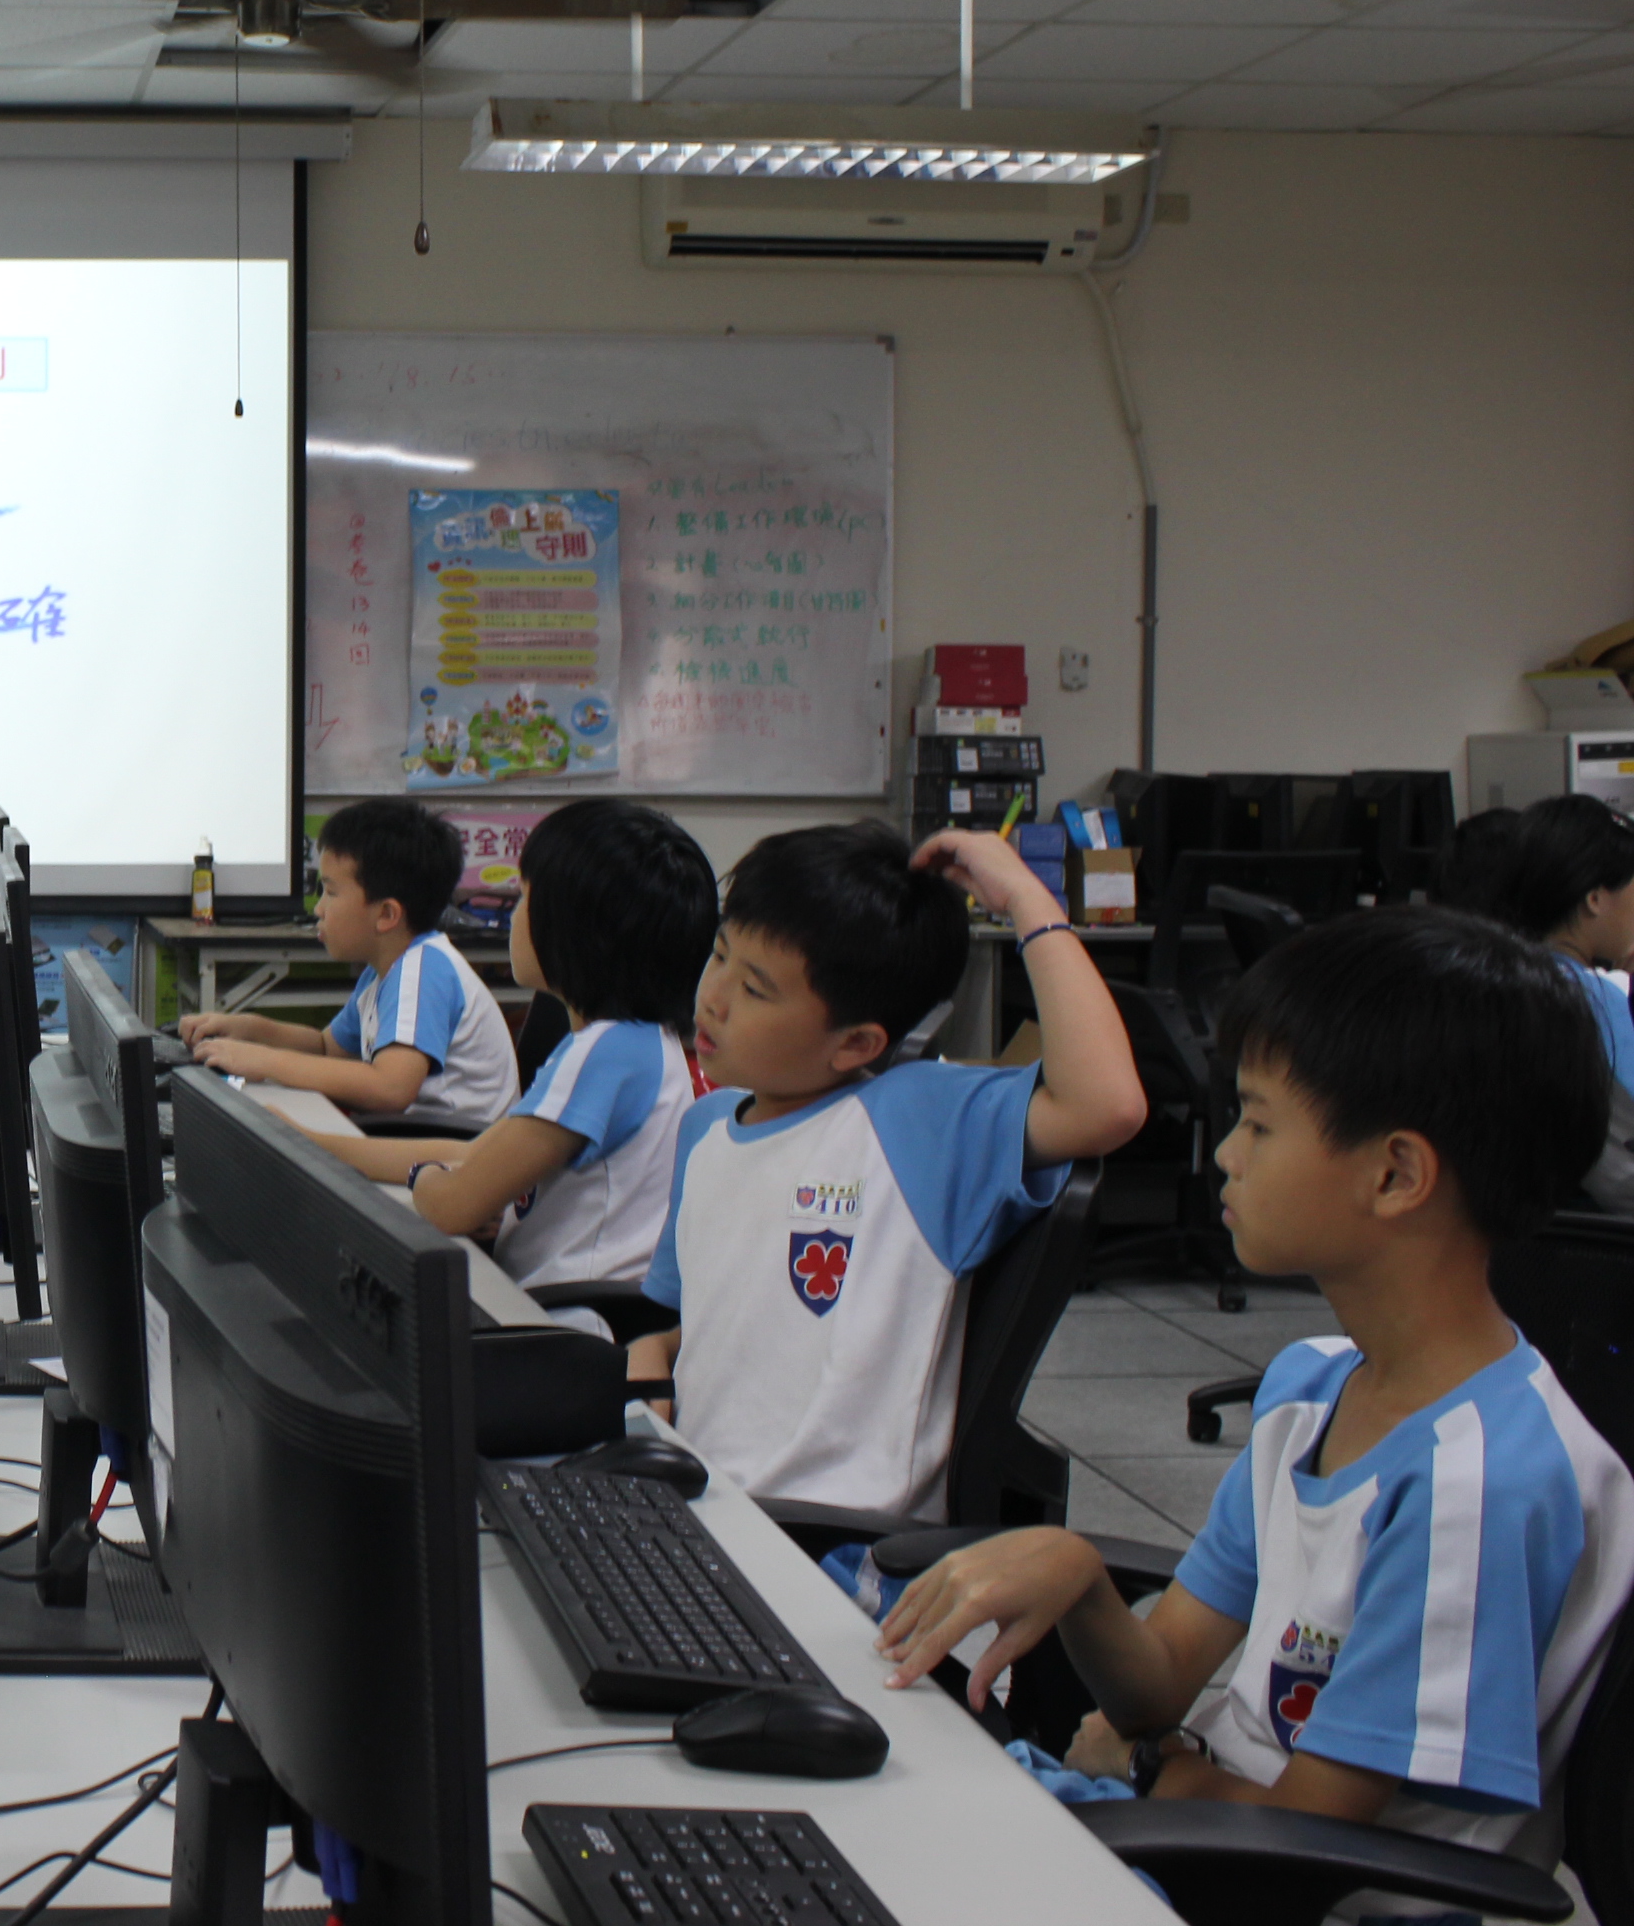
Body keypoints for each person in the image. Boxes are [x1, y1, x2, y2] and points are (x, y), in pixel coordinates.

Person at [874, 909, 1634, 1876]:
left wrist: (1147, 1768)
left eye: (1260, 1124)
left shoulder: (1477, 1483)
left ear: (1395, 1174)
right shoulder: (1312, 1387)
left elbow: (1315, 1843)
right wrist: (1080, 1580)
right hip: (1210, 1842)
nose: (1227, 1154)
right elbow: (1161, 1682)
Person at [625, 820, 1147, 1521]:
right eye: (718, 956)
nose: (712, 997)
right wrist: (655, 1349)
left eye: (754, 988)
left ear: (856, 1044)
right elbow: (732, 1320)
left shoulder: (917, 1121)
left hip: (832, 1541)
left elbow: (1108, 1105)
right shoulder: (706, 1128)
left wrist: (1027, 899)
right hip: (702, 1505)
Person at [309, 801, 717, 1297]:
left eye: (524, 898)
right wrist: (316, 1146)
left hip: (562, 1319)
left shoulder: (605, 1055)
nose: (514, 916)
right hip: (557, 1303)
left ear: (575, 930)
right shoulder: (637, 1042)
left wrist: (430, 1179)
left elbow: (453, 1205)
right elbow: (474, 1155)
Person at [182, 797, 519, 1120]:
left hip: (453, 1149)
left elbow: (391, 1088)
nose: (319, 909)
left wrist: (266, 1061)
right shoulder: (385, 970)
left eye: (330, 892)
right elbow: (326, 1047)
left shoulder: (422, 972)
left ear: (386, 914)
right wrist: (249, 1029)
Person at [1438, 795, 1634, 1213]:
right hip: (1597, 1231)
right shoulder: (1595, 998)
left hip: (1513, 1229)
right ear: (1595, 898)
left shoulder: (1482, 982)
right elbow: (1623, 1175)